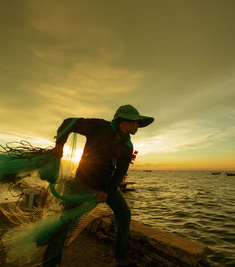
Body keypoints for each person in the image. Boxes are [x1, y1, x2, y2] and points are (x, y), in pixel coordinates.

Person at [46, 104, 154, 267]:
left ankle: (121, 259)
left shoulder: (127, 146)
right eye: (136, 122)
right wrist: (59, 147)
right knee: (66, 221)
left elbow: (120, 172)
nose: (138, 126)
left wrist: (106, 191)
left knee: (124, 213)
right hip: (82, 182)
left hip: (106, 185)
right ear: (125, 120)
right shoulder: (99, 127)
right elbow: (68, 122)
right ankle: (51, 263)